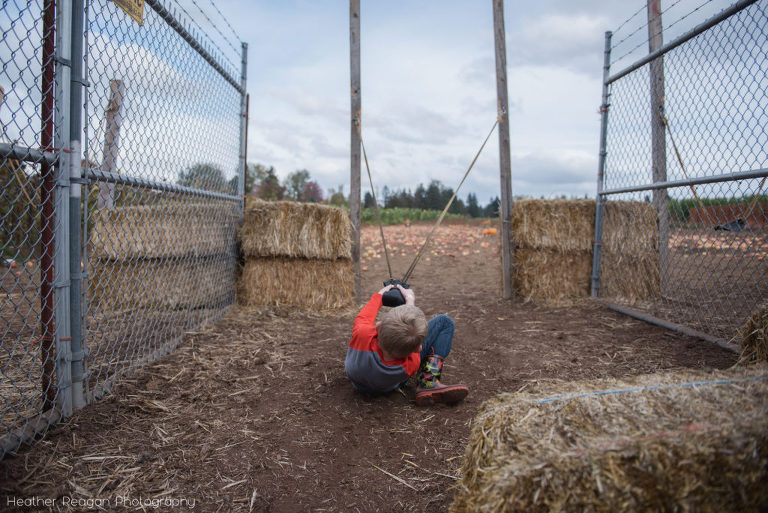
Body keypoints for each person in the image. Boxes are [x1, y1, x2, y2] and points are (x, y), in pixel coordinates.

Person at [345, 283, 469, 406]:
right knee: (444, 322)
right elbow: (413, 339)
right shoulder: (411, 364)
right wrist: (410, 300)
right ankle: (428, 382)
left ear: (378, 327)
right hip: (388, 386)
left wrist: (379, 296)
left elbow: (364, 316)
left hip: (359, 383)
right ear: (418, 349)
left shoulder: (362, 335)